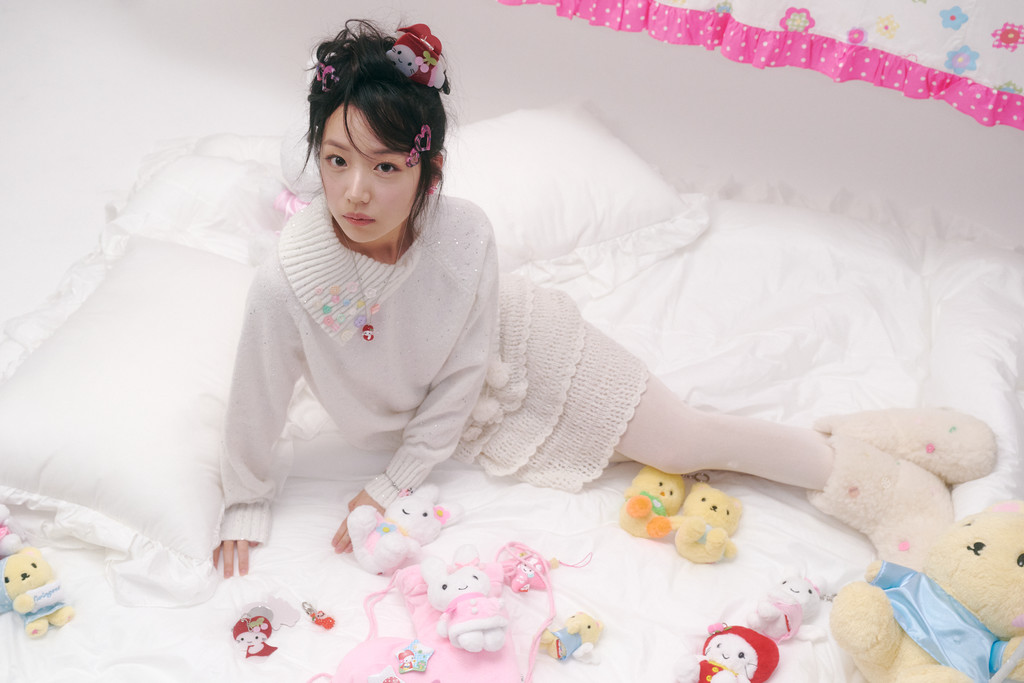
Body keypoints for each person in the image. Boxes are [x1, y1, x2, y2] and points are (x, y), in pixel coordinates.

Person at [215, 19, 997, 578]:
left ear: (429, 171)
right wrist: (244, 500)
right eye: (337, 159)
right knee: (657, 452)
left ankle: (878, 482)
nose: (356, 190)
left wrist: (397, 479)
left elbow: (463, 365)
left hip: (527, 350)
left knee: (682, 443)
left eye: (386, 166)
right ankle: (874, 436)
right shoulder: (289, 284)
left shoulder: (464, 235)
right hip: (467, 418)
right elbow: (259, 395)